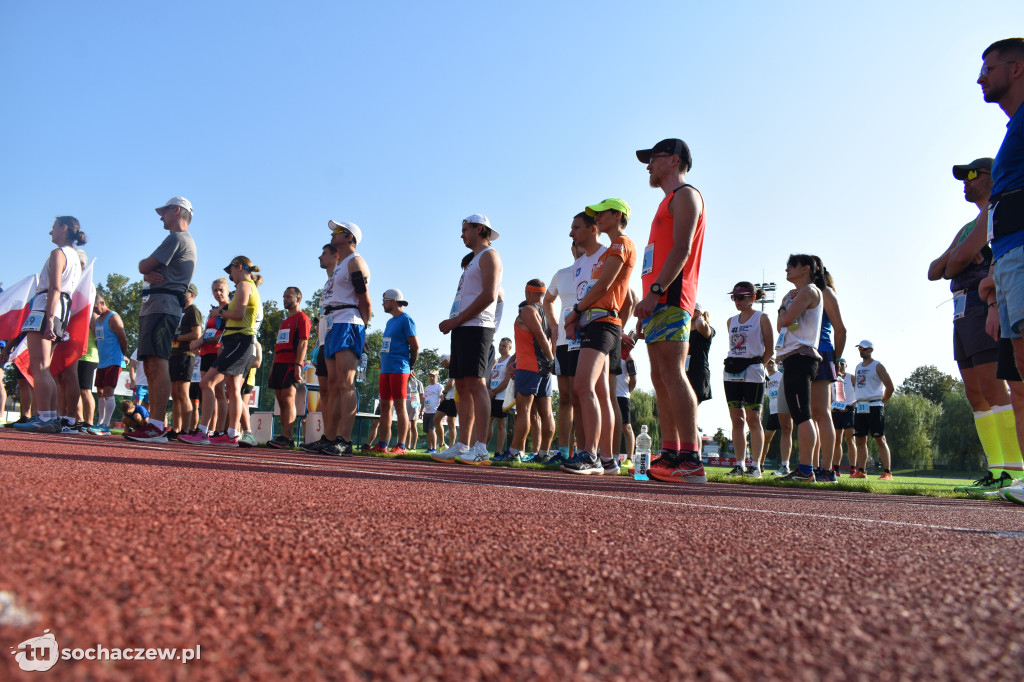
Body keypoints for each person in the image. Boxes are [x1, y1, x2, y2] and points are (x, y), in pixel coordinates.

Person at [929, 157, 1023, 490]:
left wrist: (955, 259)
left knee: (993, 385)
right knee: (974, 392)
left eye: (971, 175)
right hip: (962, 309)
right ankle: (996, 469)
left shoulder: (994, 213)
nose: (965, 183)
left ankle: (1012, 471)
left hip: (986, 303)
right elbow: (936, 269)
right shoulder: (969, 226)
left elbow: (954, 263)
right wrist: (956, 255)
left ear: (992, 176)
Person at [633, 139, 707, 484]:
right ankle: (673, 452)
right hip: (656, 300)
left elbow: (682, 248)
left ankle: (691, 457)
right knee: (659, 376)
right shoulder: (666, 201)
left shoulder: (686, 195)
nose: (648, 165)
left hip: (672, 298)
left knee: (674, 372)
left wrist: (658, 290)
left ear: (673, 159)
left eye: (653, 159)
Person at [562, 198, 636, 475]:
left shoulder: (619, 244)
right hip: (596, 323)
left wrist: (576, 311)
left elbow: (607, 287)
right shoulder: (602, 253)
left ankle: (590, 454)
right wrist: (577, 317)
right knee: (601, 393)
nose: (598, 219)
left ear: (617, 215)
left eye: (601, 214)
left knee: (583, 387)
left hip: (604, 323)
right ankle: (607, 458)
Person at [125, 197, 198, 443]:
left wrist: (146, 268)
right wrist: (145, 269)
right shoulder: (179, 239)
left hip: (162, 306)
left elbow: (143, 265)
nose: (161, 216)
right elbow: (144, 267)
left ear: (176, 211)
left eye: (164, 211)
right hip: (156, 305)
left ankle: (157, 425)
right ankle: (154, 424)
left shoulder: (177, 238)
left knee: (157, 362)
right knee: (150, 364)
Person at [436, 214, 502, 464]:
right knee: (462, 387)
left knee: (476, 384)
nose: (462, 234)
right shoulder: (473, 260)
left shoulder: (490, 255)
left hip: (478, 327)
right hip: (463, 327)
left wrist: (456, 319)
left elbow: (488, 296)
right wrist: (455, 320)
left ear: (479, 229)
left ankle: (482, 447)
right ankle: (463, 445)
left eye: (465, 229)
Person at [179, 256, 263, 447]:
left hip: (239, 341)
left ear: (239, 267)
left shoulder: (244, 285)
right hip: (238, 341)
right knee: (232, 388)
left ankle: (203, 432)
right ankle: (232, 434)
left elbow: (239, 314)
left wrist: (219, 313)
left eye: (231, 271)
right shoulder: (248, 286)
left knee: (207, 382)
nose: (230, 275)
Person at [14, 216, 85, 433]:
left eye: (53, 228)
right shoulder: (74, 256)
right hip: (59, 309)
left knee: (40, 366)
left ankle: (45, 418)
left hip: (47, 308)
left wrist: (49, 319)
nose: (50, 232)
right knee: (46, 367)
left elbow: (54, 287)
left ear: (63, 228)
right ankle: (50, 417)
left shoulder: (59, 253)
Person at [320, 221, 372, 456]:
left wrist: (363, 328)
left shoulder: (355, 262)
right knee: (332, 385)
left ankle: (345, 440)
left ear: (349, 236)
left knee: (345, 383)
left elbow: (365, 300)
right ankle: (329, 438)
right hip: (332, 324)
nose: (332, 234)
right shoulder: (340, 265)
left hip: (349, 322)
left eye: (337, 231)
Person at [775, 254, 824, 482]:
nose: (786, 269)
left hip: (801, 356)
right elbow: (782, 324)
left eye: (791, 266)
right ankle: (804, 468)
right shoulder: (792, 295)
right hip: (793, 357)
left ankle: (806, 470)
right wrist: (785, 310)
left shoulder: (809, 291)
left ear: (805, 269)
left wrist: (784, 310)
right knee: (799, 414)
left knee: (803, 415)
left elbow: (785, 320)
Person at [499, 282, 555, 463]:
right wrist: (550, 360)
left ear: (527, 292)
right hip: (543, 367)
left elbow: (539, 336)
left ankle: (515, 452)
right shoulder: (548, 312)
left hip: (530, 366)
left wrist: (551, 359)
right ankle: (543, 454)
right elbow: (550, 337)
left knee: (523, 411)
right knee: (546, 413)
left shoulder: (528, 311)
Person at [722, 282, 774, 478]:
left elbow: (769, 348)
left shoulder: (762, 318)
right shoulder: (731, 321)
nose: (737, 301)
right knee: (737, 419)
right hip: (732, 373)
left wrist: (758, 364)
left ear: (753, 297)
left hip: (753, 372)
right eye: (734, 297)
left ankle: (755, 466)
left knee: (753, 419)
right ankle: (739, 465)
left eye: (741, 297)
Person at [543, 241, 584, 465]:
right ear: (571, 248)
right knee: (566, 397)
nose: (578, 246)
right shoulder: (562, 274)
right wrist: (552, 324)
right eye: (574, 244)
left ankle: (587, 451)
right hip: (563, 342)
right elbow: (547, 300)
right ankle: (563, 451)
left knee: (583, 396)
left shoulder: (598, 268)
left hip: (587, 340)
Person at [300, 245, 341, 454]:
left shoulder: (342, 274)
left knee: (336, 390)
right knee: (325, 392)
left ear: (336, 255)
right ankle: (326, 437)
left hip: (338, 338)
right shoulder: (327, 283)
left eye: (324, 253)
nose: (319, 256)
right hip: (325, 341)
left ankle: (338, 437)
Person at [809, 260, 847, 483]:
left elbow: (841, 330)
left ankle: (827, 469)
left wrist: (836, 358)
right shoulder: (800, 294)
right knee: (810, 415)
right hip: (804, 354)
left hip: (821, 353)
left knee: (822, 412)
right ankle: (810, 467)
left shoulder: (826, 292)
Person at [372, 289, 418, 455]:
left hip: (399, 368)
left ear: (392, 301)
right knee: (385, 407)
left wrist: (410, 366)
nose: (383, 304)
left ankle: (401, 446)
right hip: (386, 369)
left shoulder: (406, 320)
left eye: (384, 301)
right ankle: (382, 444)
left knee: (399, 407)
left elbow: (415, 347)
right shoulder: (390, 322)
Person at [267, 287, 311, 449]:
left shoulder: (302, 318)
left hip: (291, 363)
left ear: (298, 298)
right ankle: (285, 436)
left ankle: (287, 436)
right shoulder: (284, 322)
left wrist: (298, 365)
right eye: (284, 296)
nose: (285, 299)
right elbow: (278, 345)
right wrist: (272, 366)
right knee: (280, 399)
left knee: (288, 398)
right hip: (278, 362)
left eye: (288, 296)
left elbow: (303, 342)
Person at [189, 278, 231, 438]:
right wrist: (199, 345)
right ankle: (208, 428)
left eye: (221, 290)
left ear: (227, 290)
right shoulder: (213, 311)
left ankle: (219, 430)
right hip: (206, 353)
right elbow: (208, 331)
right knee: (207, 389)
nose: (218, 293)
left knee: (219, 391)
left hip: (219, 353)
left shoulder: (228, 309)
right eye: (214, 290)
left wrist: (202, 340)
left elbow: (224, 334)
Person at [852, 340, 895, 480]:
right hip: (860, 406)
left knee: (879, 439)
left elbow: (890, 387)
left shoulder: (878, 366)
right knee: (860, 440)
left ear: (871, 350)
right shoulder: (858, 367)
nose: (861, 350)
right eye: (859, 348)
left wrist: (881, 401)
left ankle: (887, 472)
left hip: (875, 406)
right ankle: (861, 470)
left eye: (863, 348)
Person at [87, 295, 128, 435]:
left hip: (113, 360)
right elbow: (99, 340)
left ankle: (106, 426)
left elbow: (123, 339)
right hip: (102, 361)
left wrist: (121, 356)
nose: (94, 310)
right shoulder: (98, 320)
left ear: (102, 303)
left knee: (109, 392)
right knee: (99, 392)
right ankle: (99, 423)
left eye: (95, 307)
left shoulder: (113, 317)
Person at [168, 283, 202, 439]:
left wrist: (178, 338)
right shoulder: (178, 311)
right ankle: (175, 429)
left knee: (182, 393)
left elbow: (196, 334)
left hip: (186, 354)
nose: (181, 294)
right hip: (174, 354)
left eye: (185, 292)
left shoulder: (193, 311)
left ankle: (186, 430)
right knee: (174, 394)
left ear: (192, 295)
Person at [761, 358, 793, 475]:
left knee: (785, 434)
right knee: (766, 439)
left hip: (784, 410)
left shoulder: (781, 375)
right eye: (767, 362)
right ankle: (761, 464)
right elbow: (764, 394)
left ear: (776, 363)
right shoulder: (765, 380)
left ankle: (785, 464)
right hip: (773, 412)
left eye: (772, 362)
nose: (769, 364)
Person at [487, 337, 514, 457]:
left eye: (504, 345)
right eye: (500, 345)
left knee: (501, 424)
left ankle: (498, 452)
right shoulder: (496, 361)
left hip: (502, 396)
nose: (501, 347)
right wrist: (488, 390)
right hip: (491, 395)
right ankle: (483, 449)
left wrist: (495, 391)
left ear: (510, 348)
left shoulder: (510, 361)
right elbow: (491, 377)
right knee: (488, 422)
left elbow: (507, 381)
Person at [831, 359, 857, 476]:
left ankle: (853, 469)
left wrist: (856, 403)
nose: (840, 366)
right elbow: (830, 398)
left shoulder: (851, 377)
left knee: (850, 440)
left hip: (849, 410)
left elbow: (860, 390)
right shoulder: (832, 378)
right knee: (836, 441)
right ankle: (836, 468)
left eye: (842, 364)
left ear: (846, 365)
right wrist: (838, 405)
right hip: (836, 410)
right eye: (838, 364)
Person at [686, 303, 715, 406]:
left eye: (689, 309)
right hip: (685, 373)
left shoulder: (707, 330)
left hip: (698, 374)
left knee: (690, 407)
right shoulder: (684, 333)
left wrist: (699, 319)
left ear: (697, 313)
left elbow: (700, 326)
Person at [614, 353, 638, 469]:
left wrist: (628, 391)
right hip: (608, 395)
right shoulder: (607, 350)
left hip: (622, 395)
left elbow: (633, 378)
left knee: (626, 427)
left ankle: (629, 459)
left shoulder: (628, 357)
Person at [77, 318, 99, 433]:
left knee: (85, 390)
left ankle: (89, 422)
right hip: (77, 355)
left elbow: (98, 338)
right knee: (78, 390)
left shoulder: (92, 316)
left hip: (89, 356)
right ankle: (80, 420)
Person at [422, 369, 444, 453]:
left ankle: (434, 448)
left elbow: (442, 398)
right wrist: (421, 411)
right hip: (426, 412)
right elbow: (424, 399)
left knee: (431, 429)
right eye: (430, 376)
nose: (431, 377)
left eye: (433, 376)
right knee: (427, 431)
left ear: (437, 377)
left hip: (434, 412)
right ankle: (429, 448)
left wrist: (441, 410)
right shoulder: (427, 387)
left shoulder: (439, 386)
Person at [404, 372, 424, 450]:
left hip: (415, 406)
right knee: (407, 427)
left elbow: (422, 397)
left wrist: (421, 410)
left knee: (413, 427)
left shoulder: (419, 383)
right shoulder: (405, 382)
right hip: (406, 406)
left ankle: (414, 446)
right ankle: (407, 445)